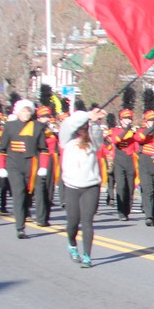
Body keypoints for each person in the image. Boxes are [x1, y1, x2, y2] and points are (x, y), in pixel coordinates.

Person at [59, 108, 108, 268]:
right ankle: (72, 244)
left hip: (91, 186)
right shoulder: (66, 139)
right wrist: (87, 115)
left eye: (84, 126)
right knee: (73, 222)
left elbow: (98, 137)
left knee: (87, 222)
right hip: (72, 186)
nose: (82, 128)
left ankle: (87, 255)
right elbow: (68, 124)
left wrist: (94, 122)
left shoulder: (92, 142)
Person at [0, 99, 50, 239]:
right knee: (18, 193)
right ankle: (20, 228)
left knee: (27, 195)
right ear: (18, 111)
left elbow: (43, 149)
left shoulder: (38, 127)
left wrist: (43, 166)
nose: (26, 113)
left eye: (28, 111)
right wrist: (1, 167)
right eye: (23, 110)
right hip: (14, 165)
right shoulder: (9, 126)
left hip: (31, 165)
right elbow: (1, 149)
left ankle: (26, 213)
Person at [134, 110, 154, 227]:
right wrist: (150, 129)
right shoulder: (142, 131)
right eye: (150, 121)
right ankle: (148, 216)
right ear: (146, 122)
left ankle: (152, 214)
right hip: (145, 162)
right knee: (148, 189)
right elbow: (139, 138)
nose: (152, 123)